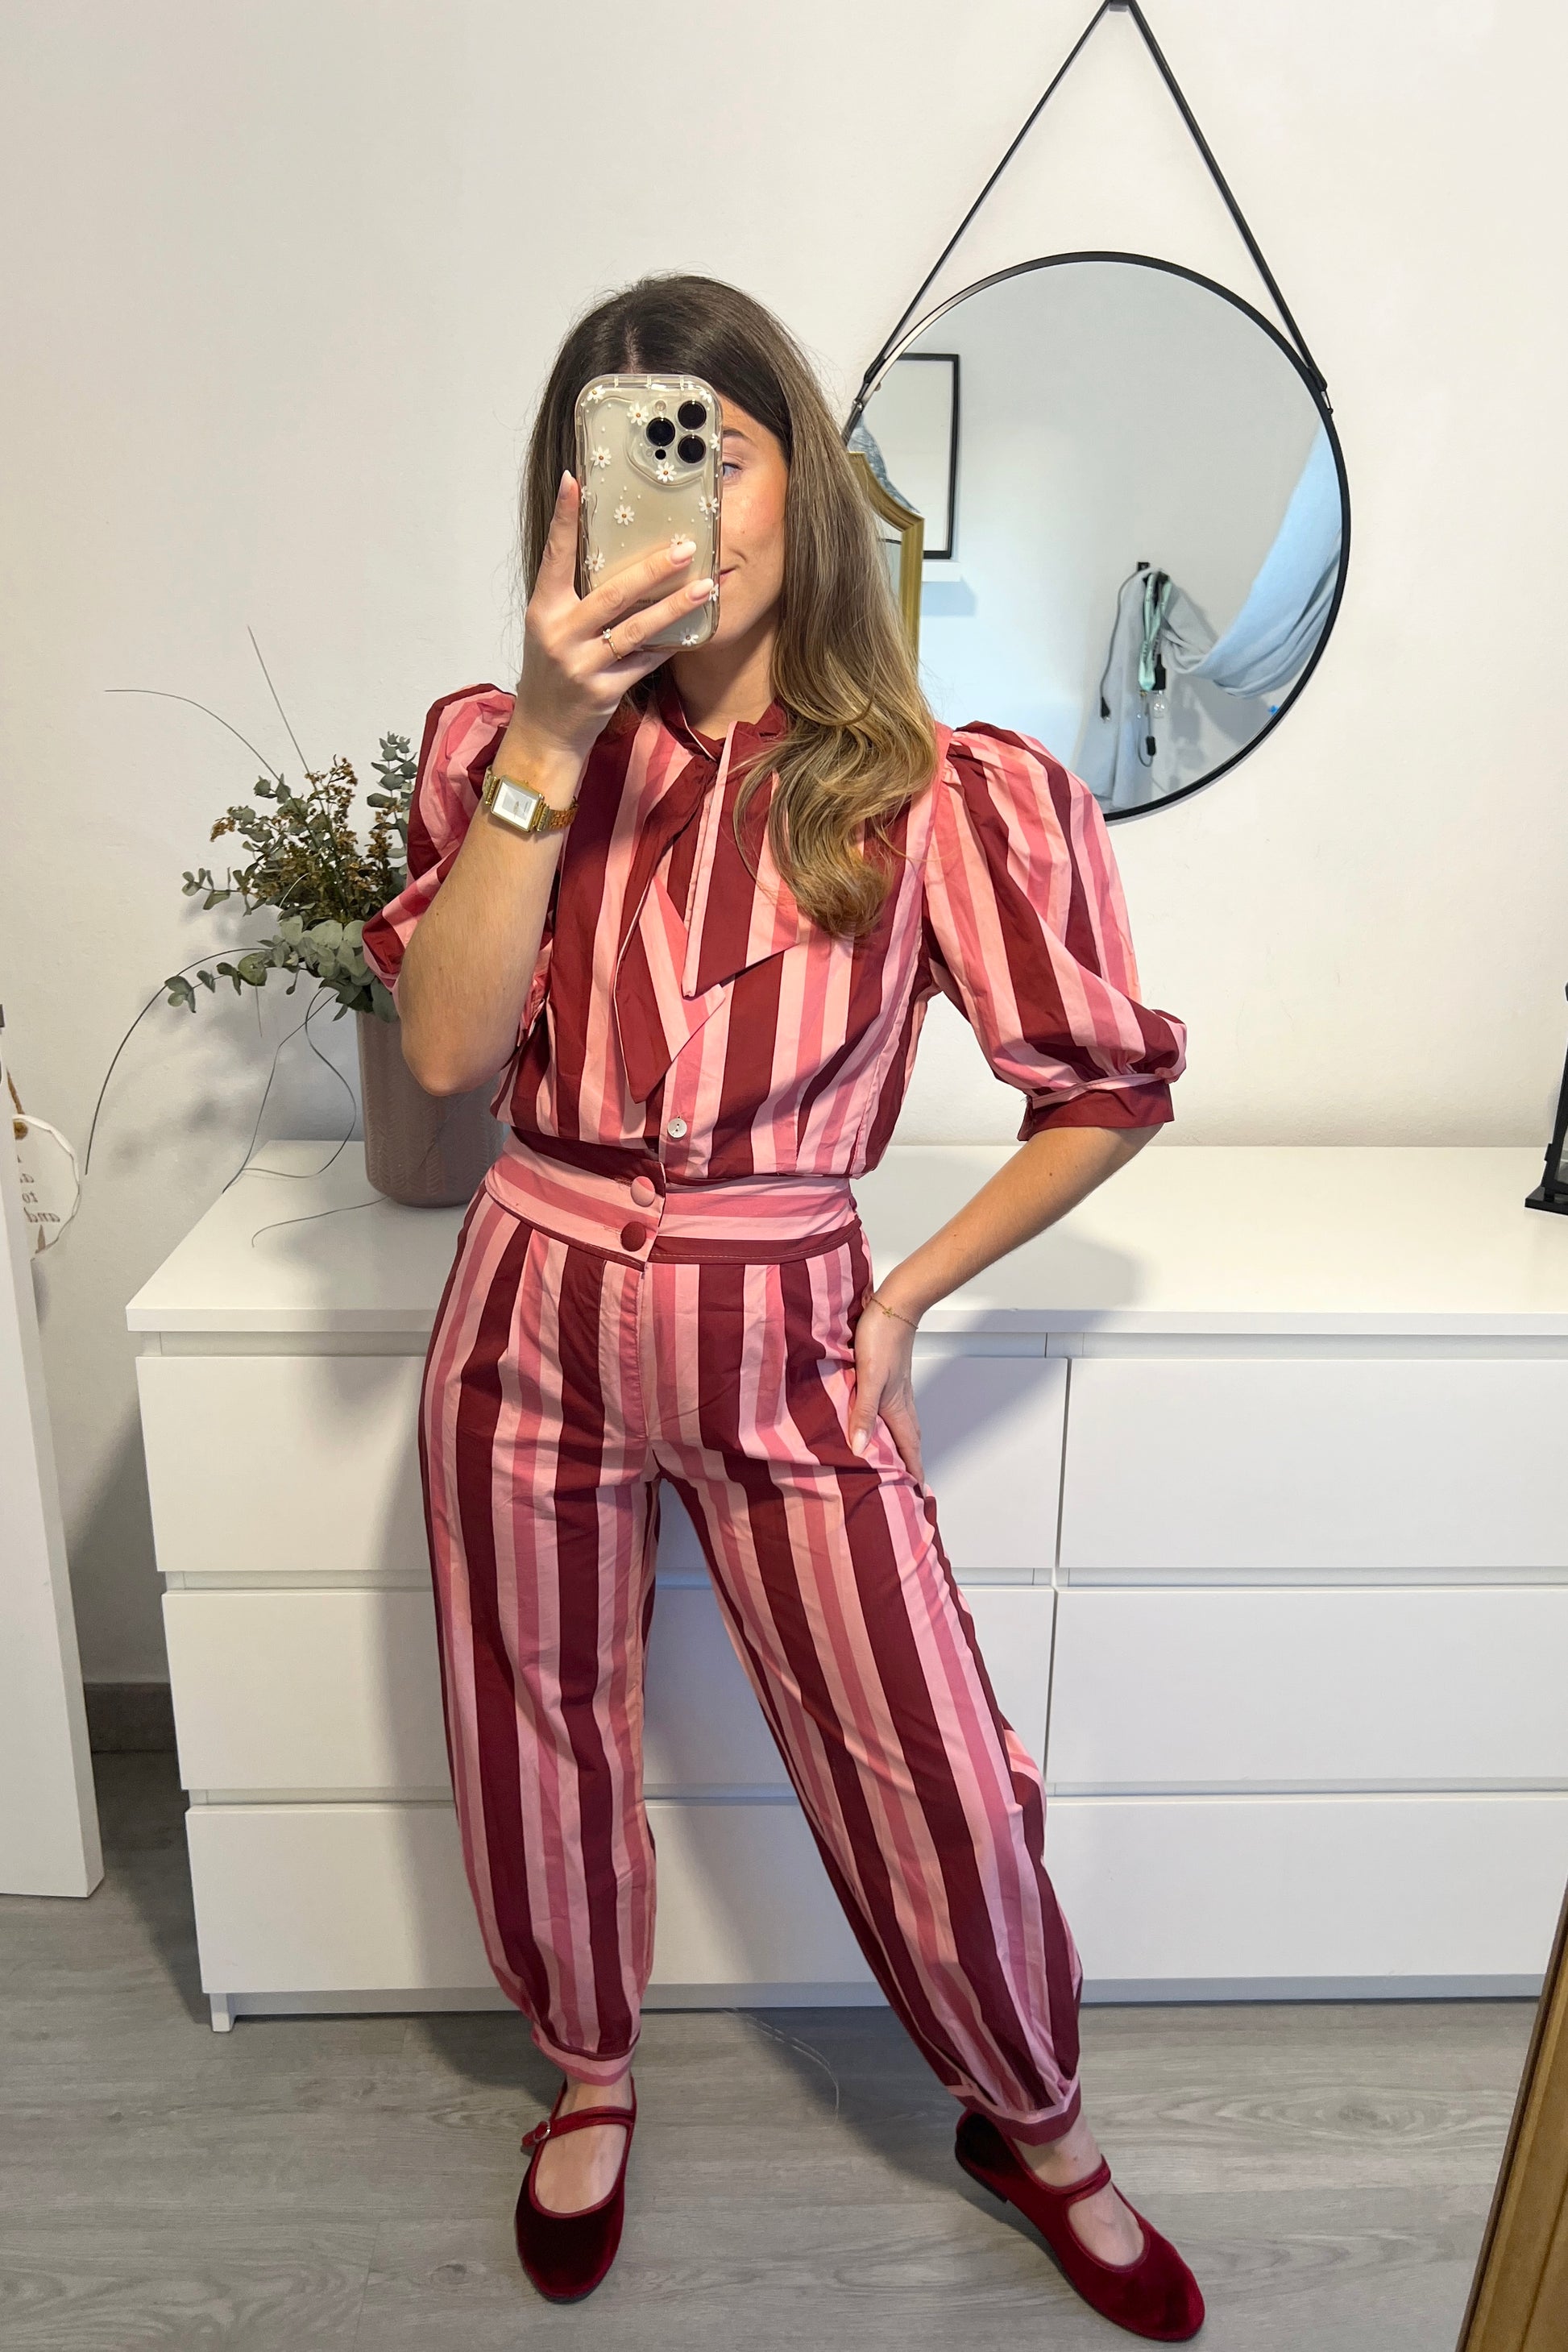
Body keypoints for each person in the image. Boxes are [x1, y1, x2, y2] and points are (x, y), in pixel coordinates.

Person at [361, 273, 1201, 2340]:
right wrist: (549, 735)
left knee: (922, 1755)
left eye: (712, 455)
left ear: (797, 480)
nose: (676, 508)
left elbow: (1105, 1087)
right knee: (534, 1717)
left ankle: (1035, 2116)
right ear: (566, 506)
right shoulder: (496, 749)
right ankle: (588, 2070)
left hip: (783, 1309)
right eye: (619, 465)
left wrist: (902, 1293)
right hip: (532, 1289)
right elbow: (448, 1056)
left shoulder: (939, 787)